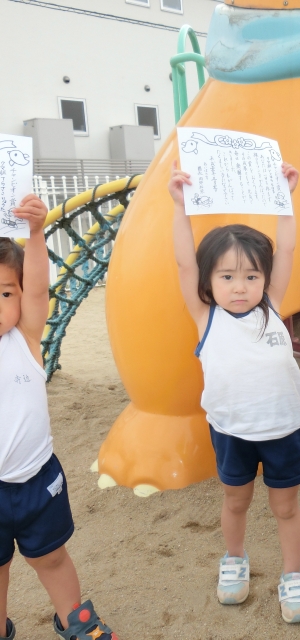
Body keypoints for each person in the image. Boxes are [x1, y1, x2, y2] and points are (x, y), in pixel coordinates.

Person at [168, 161, 300, 623]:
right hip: (231, 429)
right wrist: (180, 206)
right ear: (208, 281)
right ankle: (234, 558)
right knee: (236, 500)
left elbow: (286, 249)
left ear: (265, 280)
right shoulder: (204, 316)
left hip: (283, 427)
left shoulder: (273, 307)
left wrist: (284, 199)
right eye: (227, 276)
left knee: (285, 506)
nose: (239, 286)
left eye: (251, 276)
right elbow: (183, 259)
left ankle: (293, 572)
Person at [0, 197, 117, 640]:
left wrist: (34, 234)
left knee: (52, 557)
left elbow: (35, 289)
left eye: (5, 292)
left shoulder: (25, 339)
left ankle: (75, 619)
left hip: (35, 479)